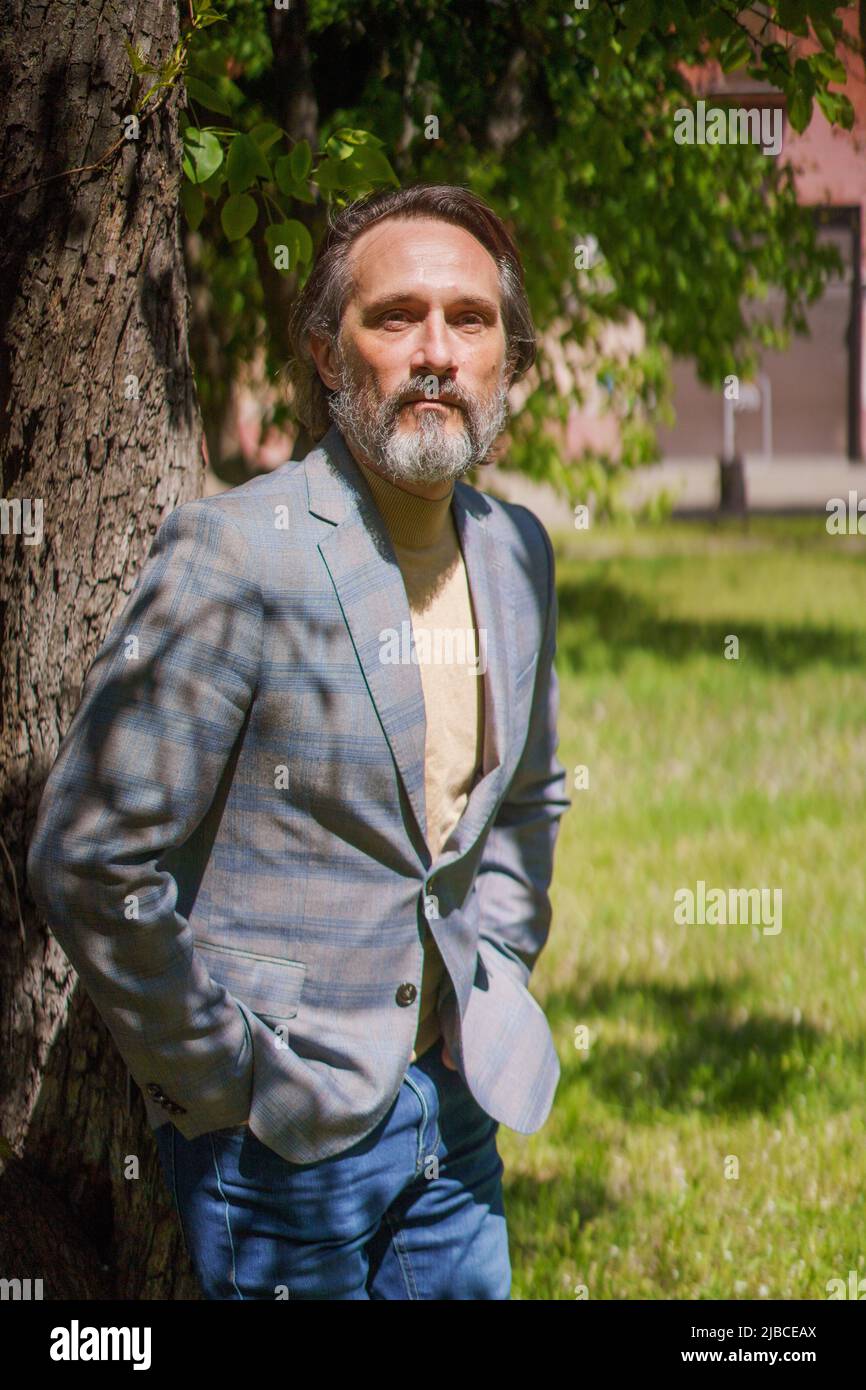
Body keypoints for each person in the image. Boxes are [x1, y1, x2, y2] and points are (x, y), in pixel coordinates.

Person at [27, 182, 571, 1300]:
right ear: (328, 357)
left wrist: (497, 966)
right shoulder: (237, 554)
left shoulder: (515, 551)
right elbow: (88, 856)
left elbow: (527, 799)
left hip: (452, 1100)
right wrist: (222, 1080)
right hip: (275, 1141)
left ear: (506, 365)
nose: (435, 352)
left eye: (469, 321)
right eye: (394, 317)